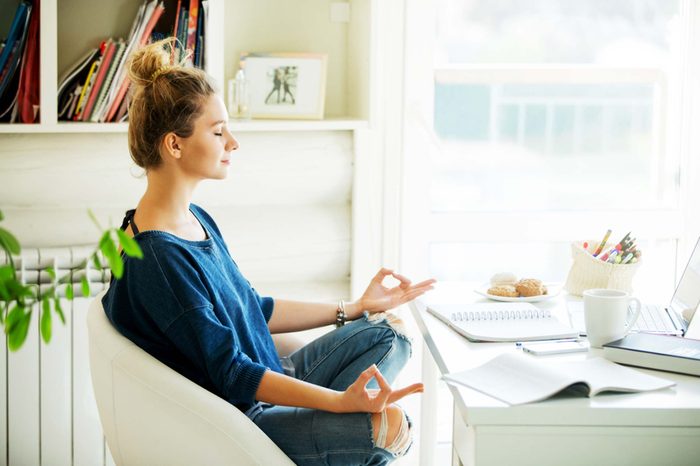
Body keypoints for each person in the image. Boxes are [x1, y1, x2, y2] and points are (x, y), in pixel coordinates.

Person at [101, 37, 436, 466]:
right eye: (219, 132)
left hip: (275, 376)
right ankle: (344, 430)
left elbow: (253, 308)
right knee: (391, 427)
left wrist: (354, 307)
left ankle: (341, 432)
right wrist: (337, 403)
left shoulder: (193, 218)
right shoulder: (160, 261)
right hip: (244, 421)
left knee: (391, 332)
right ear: (174, 145)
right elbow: (233, 373)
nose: (233, 143)